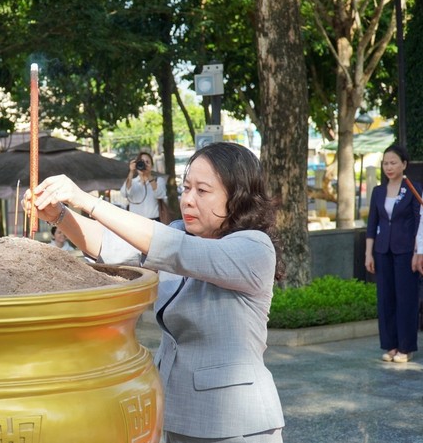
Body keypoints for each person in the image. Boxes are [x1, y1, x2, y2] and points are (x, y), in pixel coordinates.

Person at [25, 142, 285, 442]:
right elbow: (109, 246)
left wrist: (86, 200)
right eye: (187, 188)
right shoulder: (177, 233)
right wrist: (58, 215)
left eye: (202, 191)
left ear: (237, 197)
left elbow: (174, 249)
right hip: (175, 414)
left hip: (236, 424)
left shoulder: (254, 247)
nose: (188, 200)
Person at [365, 144, 421, 363]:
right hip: (382, 251)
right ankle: (390, 345)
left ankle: (406, 347)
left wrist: (419, 252)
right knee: (386, 298)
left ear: (404, 164)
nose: (389, 167)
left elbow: (419, 223)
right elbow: (372, 224)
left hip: (406, 251)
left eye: (393, 162)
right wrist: (368, 253)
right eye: (385, 163)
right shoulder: (378, 191)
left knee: (405, 299)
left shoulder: (414, 189)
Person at [120, 151, 167, 220]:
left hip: (154, 220)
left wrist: (149, 176)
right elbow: (124, 193)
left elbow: (160, 195)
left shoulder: (158, 180)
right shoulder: (132, 182)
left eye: (147, 162)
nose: (144, 165)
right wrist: (131, 172)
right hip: (136, 220)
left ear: (152, 166)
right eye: (141, 162)